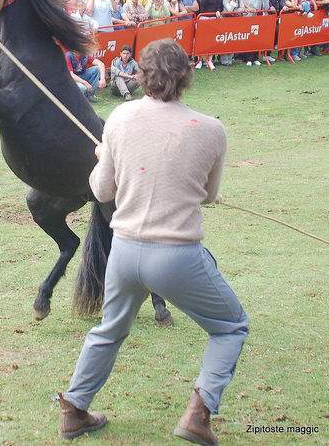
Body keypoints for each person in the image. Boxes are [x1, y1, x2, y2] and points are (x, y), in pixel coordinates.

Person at [57, 38, 249, 444]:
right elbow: (210, 196)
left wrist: (103, 157)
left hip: (124, 253)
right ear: (187, 78)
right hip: (175, 255)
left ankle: (75, 408)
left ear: (141, 76)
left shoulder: (120, 118)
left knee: (110, 329)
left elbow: (102, 190)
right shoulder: (212, 129)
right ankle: (198, 414)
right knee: (231, 326)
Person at [220, 0, 245, 66]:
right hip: (225, 20)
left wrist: (236, 9)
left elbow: (243, 8)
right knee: (225, 40)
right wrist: (234, 2)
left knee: (232, 40)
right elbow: (229, 9)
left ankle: (229, 59)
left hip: (234, 20)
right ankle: (224, 60)